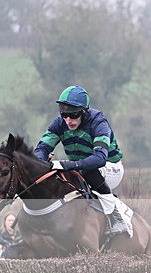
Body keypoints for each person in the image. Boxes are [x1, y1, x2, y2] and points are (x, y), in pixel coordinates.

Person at [34, 85, 128, 237]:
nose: (68, 120)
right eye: (64, 115)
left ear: (84, 112)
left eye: (73, 115)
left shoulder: (99, 122)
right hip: (80, 168)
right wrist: (41, 163)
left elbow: (100, 158)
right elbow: (41, 149)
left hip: (111, 168)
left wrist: (70, 165)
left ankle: (116, 215)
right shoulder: (59, 123)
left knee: (87, 170)